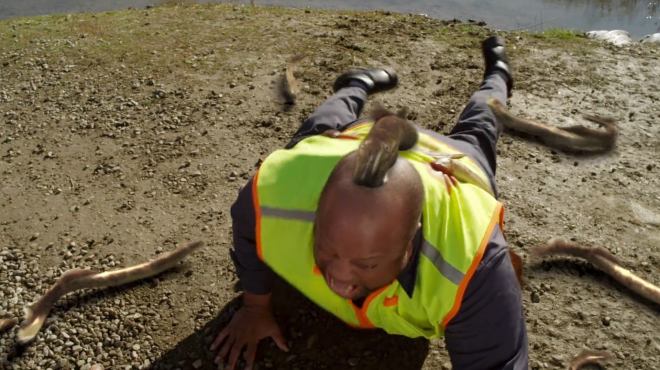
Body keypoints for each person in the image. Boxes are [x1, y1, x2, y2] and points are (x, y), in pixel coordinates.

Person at [211, 36, 528, 370]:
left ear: (410, 244)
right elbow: (246, 220)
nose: (339, 277)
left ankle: (498, 74)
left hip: (451, 161)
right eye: (329, 250)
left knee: (481, 123)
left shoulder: (476, 267)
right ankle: (355, 84)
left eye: (367, 263)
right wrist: (254, 307)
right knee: (321, 125)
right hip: (359, 137)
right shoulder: (278, 190)